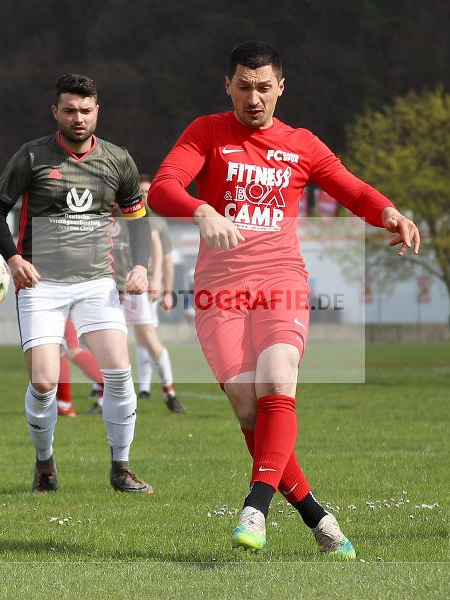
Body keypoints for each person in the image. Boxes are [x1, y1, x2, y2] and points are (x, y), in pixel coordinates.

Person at [148, 41, 420, 558]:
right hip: (218, 290)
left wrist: (389, 212)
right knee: (249, 407)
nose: (254, 98)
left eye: (264, 87)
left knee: (278, 378)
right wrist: (201, 210)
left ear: (281, 88)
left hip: (281, 281)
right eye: (244, 87)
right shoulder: (205, 132)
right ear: (226, 85)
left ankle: (256, 507)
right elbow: (162, 188)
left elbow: (352, 189)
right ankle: (319, 517)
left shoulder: (301, 143)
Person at [0, 73, 154, 494]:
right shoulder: (31, 157)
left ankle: (121, 468)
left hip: (97, 283)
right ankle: (44, 464)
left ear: (98, 111)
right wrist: (14, 259)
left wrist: (142, 267)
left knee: (119, 373)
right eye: (70, 110)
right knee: (43, 384)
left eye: (86, 110)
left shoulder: (118, 160)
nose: (78, 118)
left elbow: (138, 220)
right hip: (41, 285)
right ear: (55, 111)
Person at [117, 175, 185, 414]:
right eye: (140, 192)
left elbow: (162, 255)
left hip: (138, 289)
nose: (143, 196)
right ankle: (109, 396)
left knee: (147, 340)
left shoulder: (151, 221)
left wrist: (160, 284)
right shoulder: (111, 213)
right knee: (110, 342)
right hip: (111, 289)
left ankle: (169, 392)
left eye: (147, 192)